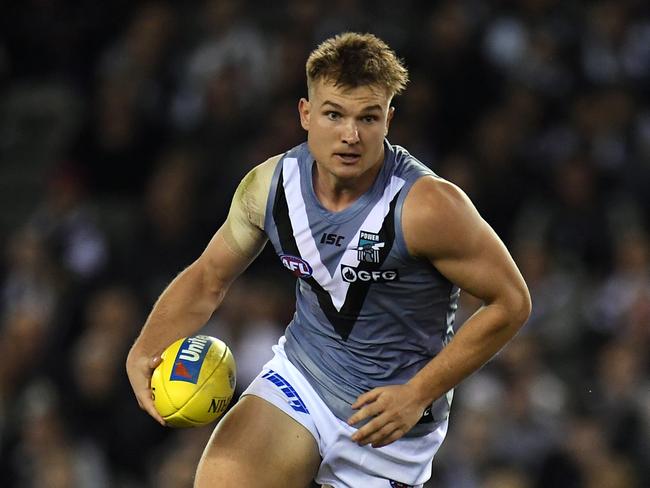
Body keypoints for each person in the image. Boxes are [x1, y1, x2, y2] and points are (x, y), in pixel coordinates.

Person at [126, 32, 531, 488]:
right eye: (334, 114)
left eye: (368, 118)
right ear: (305, 113)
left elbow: (511, 301)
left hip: (388, 424)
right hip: (302, 379)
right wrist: (146, 346)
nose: (350, 135)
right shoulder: (269, 187)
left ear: (389, 121)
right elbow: (208, 278)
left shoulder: (429, 207)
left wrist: (419, 393)